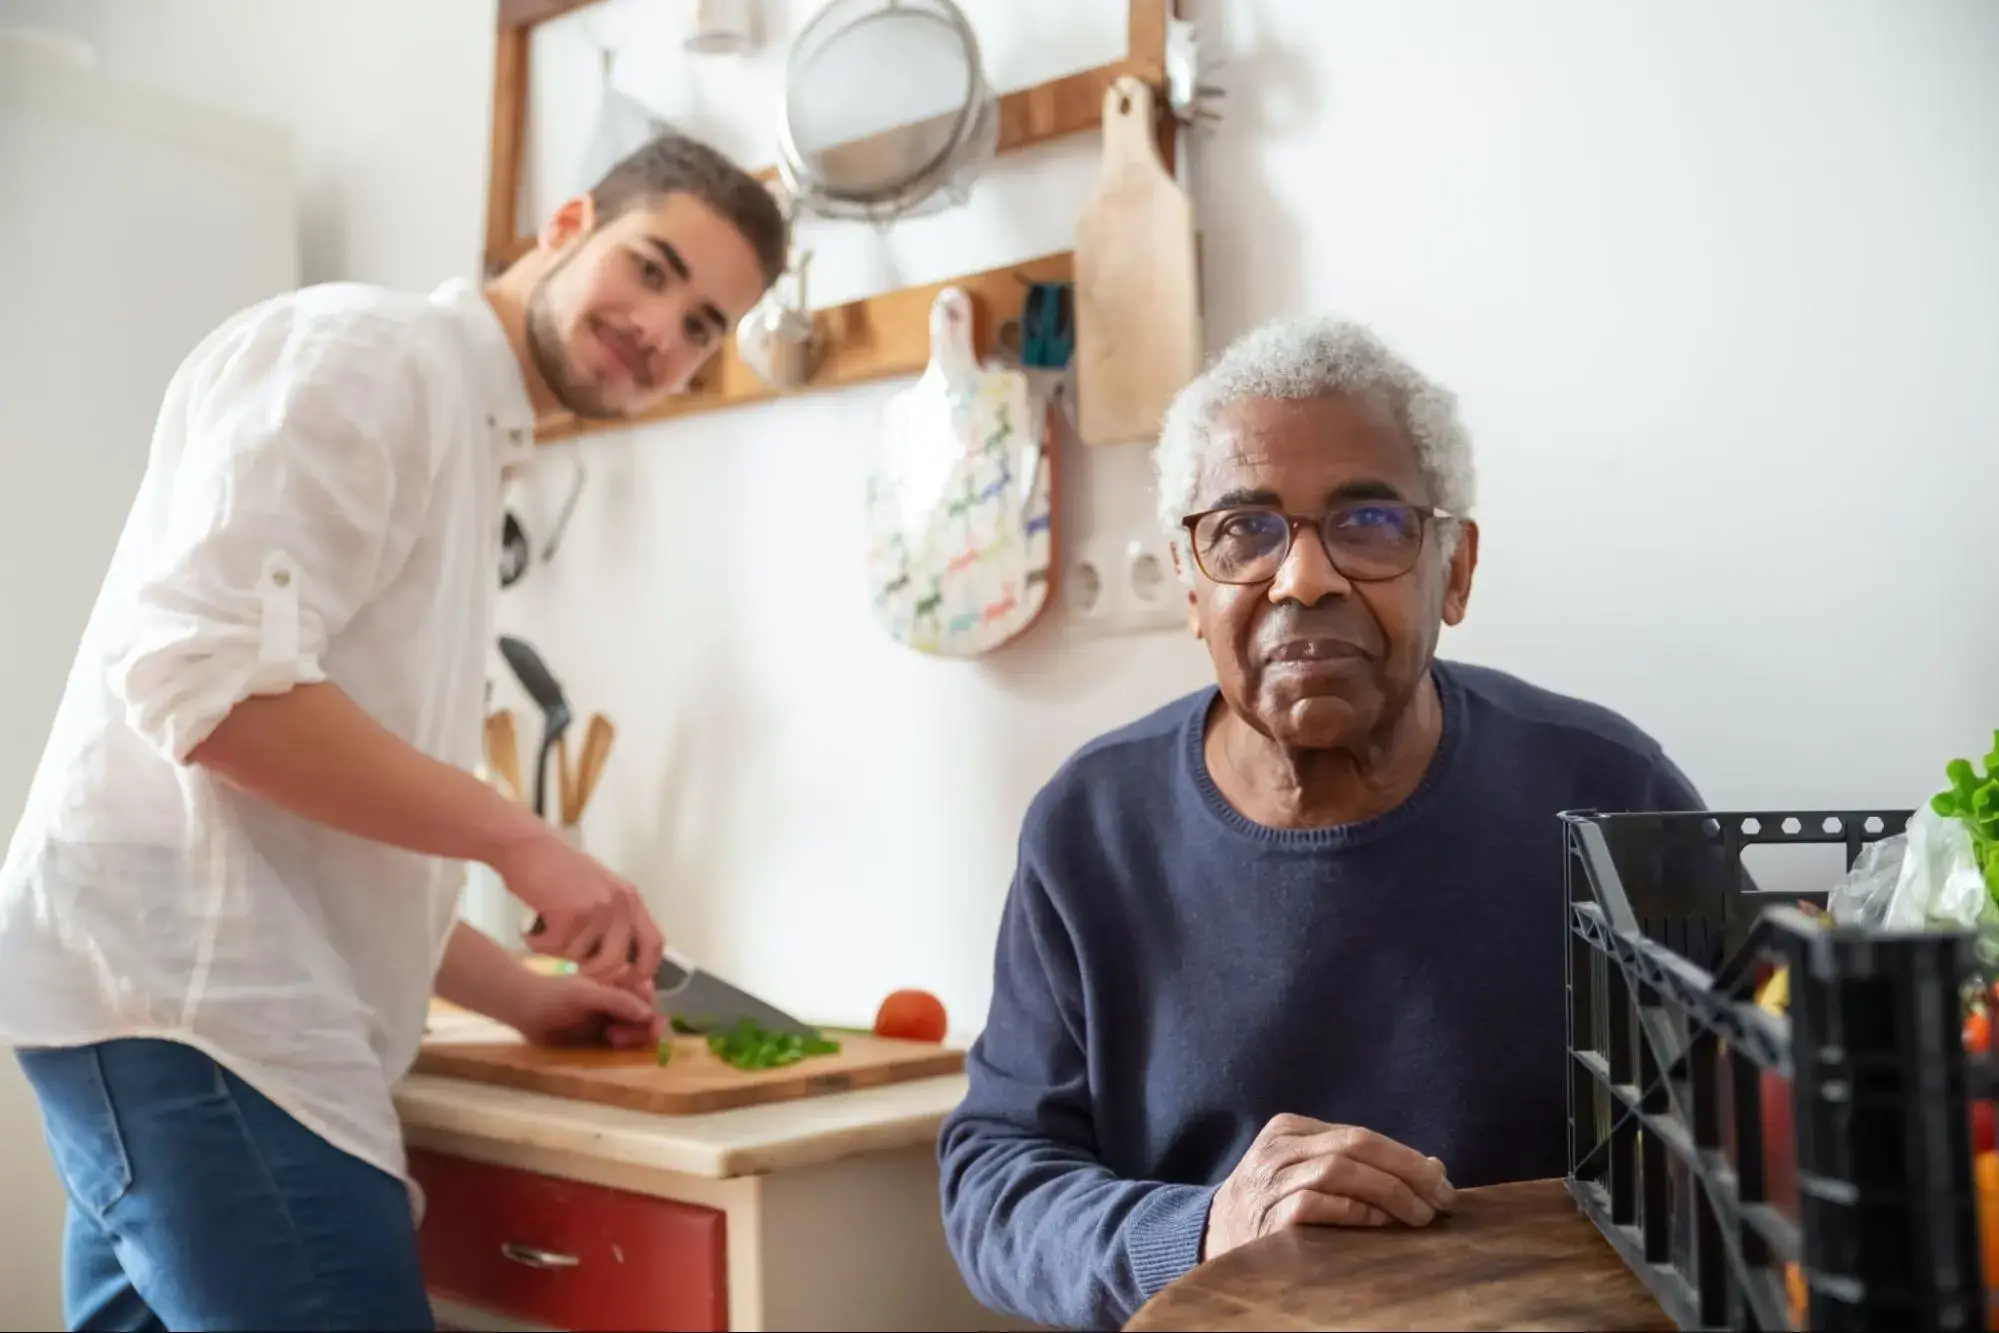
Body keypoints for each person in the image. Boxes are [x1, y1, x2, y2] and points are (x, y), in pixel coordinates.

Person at [0, 133, 787, 1330]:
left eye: (703, 327)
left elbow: (299, 819)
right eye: (654, 268)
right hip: (208, 1024)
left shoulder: (462, 433)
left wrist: (512, 992)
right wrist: (520, 839)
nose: (661, 330)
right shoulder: (376, 356)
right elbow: (200, 688)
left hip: (173, 1010)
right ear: (567, 223)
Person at [937, 314, 1706, 1330]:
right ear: (1188, 582)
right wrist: (1209, 1228)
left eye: (1369, 525)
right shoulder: (1091, 828)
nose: (1304, 578)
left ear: (1456, 568)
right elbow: (995, 1180)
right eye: (1243, 530)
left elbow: (1747, 1140)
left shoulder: (1612, 793)